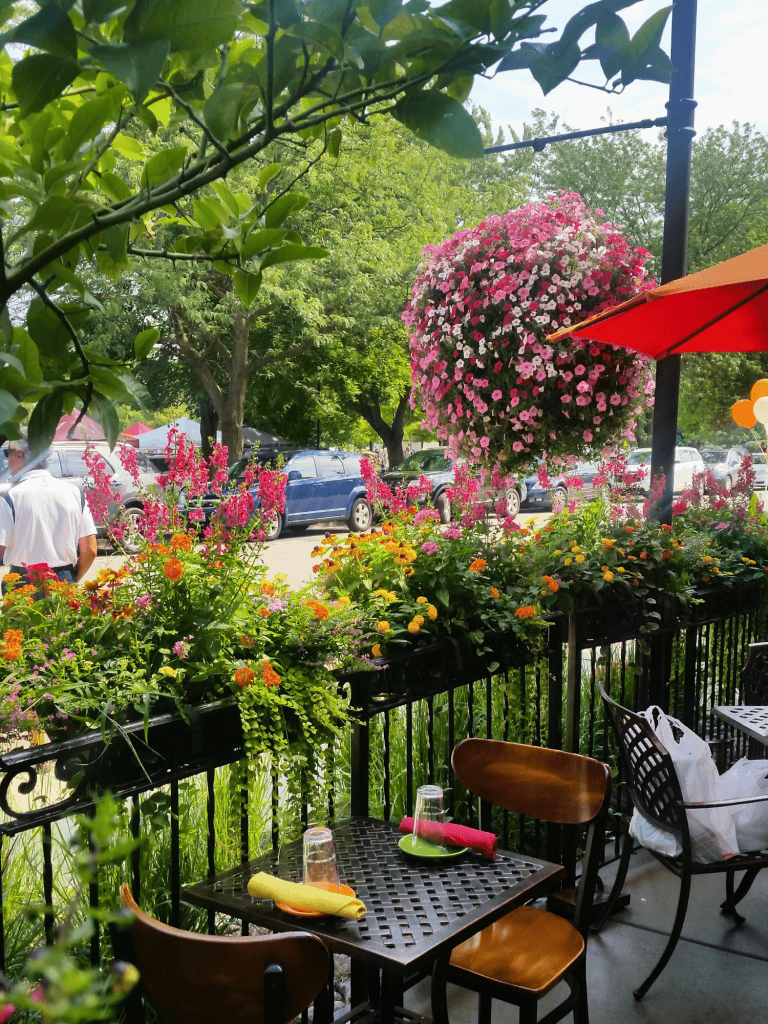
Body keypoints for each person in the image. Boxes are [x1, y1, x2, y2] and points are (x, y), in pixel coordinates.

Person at [0, 437, 98, 593]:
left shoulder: (9, 496)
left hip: (23, 582)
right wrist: (72, 579)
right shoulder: (75, 493)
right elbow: (90, 548)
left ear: (19, 455)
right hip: (64, 577)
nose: (7, 460)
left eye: (7, 453)